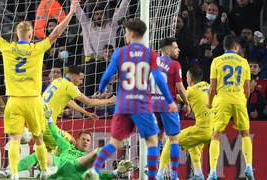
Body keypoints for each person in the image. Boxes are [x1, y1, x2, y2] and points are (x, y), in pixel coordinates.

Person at [0, 0, 80, 179]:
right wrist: (70, 12)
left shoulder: (7, 48)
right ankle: (45, 170)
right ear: (31, 36)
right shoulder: (37, 49)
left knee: (14, 139)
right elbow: (55, 33)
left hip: (14, 100)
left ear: (16, 34)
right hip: (33, 101)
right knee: (38, 139)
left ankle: (14, 173)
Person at [86, 19, 178, 180]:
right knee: (152, 141)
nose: (125, 35)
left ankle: (95, 169)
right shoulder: (151, 55)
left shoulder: (120, 53)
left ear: (132, 33)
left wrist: (101, 90)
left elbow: (107, 75)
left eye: (126, 32)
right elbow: (158, 79)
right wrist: (170, 100)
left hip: (123, 105)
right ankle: (151, 177)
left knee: (114, 142)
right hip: (142, 105)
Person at [206, 35, 254, 180]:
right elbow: (247, 88)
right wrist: (243, 100)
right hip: (239, 99)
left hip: (222, 100)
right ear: (236, 47)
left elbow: (212, 87)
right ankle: (249, 168)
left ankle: (213, 171)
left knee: (216, 135)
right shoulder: (244, 62)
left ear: (224, 47)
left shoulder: (216, 61)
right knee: (245, 133)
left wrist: (209, 102)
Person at [41, 106, 134, 179]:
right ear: (77, 140)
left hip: (77, 173)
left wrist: (117, 171)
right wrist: (49, 119)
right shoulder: (66, 146)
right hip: (62, 173)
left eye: (88, 140)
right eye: (83, 139)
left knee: (94, 157)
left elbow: (103, 176)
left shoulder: (88, 161)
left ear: (90, 144)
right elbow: (55, 134)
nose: (85, 142)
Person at [157, 67, 214, 180]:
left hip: (202, 130)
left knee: (170, 141)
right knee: (193, 146)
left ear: (190, 79)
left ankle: (159, 175)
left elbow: (174, 98)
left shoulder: (191, 91)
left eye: (187, 77)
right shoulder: (208, 86)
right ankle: (198, 175)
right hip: (213, 131)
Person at [150, 37, 191, 180]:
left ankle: (152, 171)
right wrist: (186, 103)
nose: (178, 50)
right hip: (168, 106)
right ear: (168, 50)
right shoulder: (175, 64)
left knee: (157, 137)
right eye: (176, 47)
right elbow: (180, 87)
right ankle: (174, 174)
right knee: (174, 139)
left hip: (152, 105)